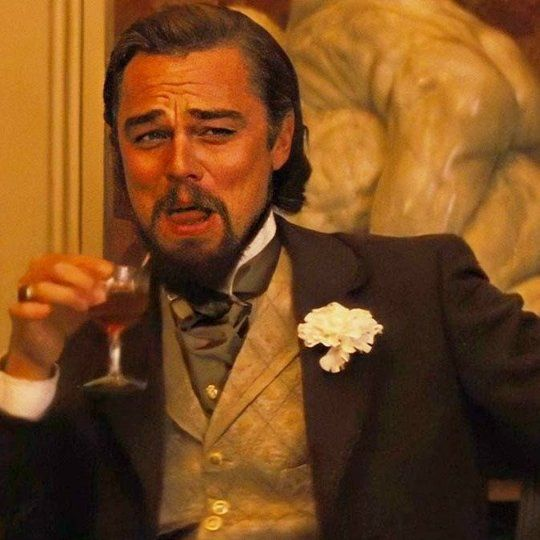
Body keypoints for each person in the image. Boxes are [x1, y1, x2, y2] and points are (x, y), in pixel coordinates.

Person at [1, 4, 539, 539]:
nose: (180, 165)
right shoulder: (84, 329)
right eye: (149, 137)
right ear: (119, 153)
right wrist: (27, 366)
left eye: (215, 131)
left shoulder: (421, 287)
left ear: (280, 140)